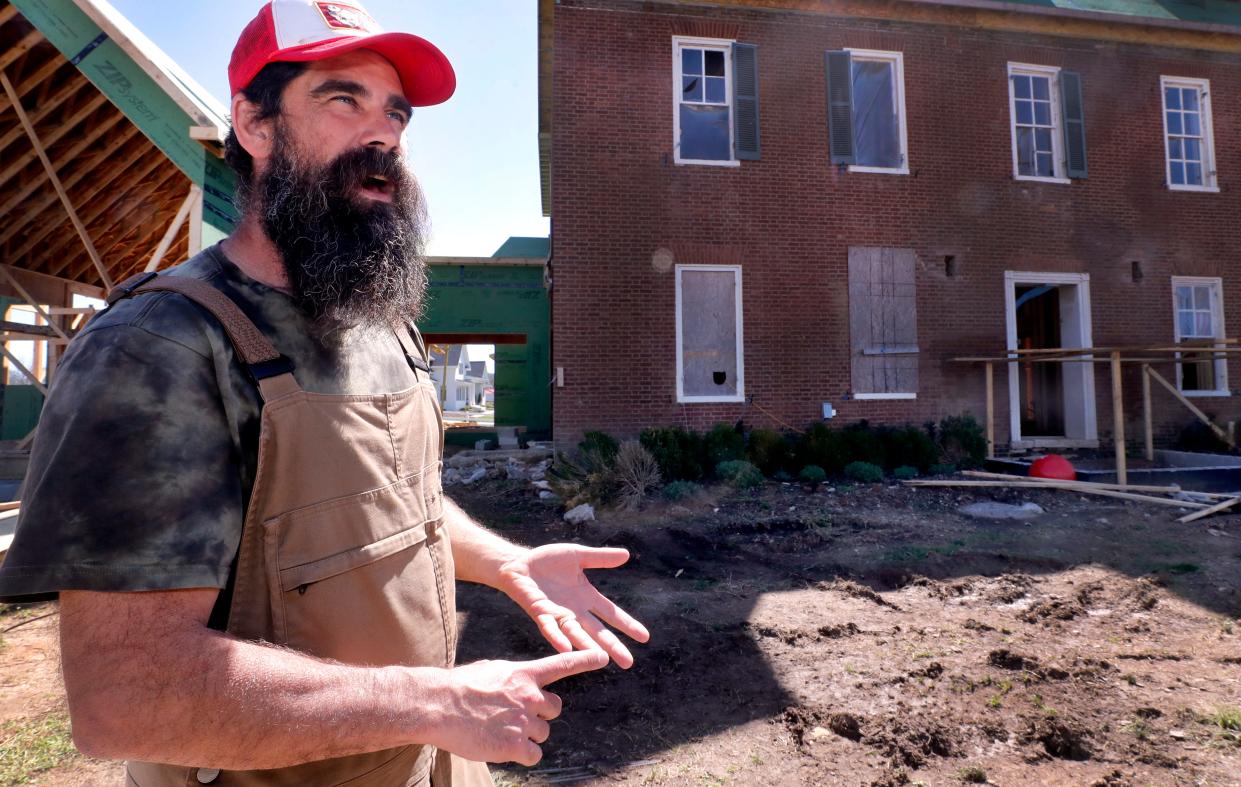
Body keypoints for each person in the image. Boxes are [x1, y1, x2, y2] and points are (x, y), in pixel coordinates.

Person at [0, 2, 649, 785]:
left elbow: (385, 502)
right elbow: (128, 697)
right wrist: (430, 702)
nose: (382, 134)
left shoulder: (380, 323)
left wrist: (508, 563)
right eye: (343, 99)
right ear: (253, 123)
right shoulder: (162, 345)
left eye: (396, 113)